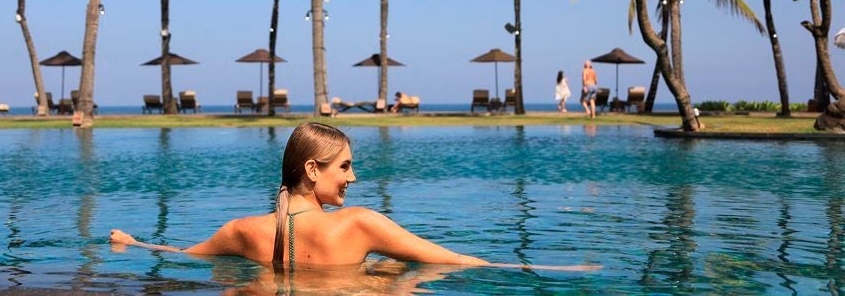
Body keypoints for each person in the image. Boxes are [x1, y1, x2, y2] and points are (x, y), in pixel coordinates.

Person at [110, 122, 598, 272]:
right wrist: (552, 271)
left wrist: (132, 243)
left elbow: (179, 256)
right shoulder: (359, 224)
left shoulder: (242, 231)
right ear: (311, 169)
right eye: (344, 166)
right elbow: (455, 262)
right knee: (394, 272)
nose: (353, 177)